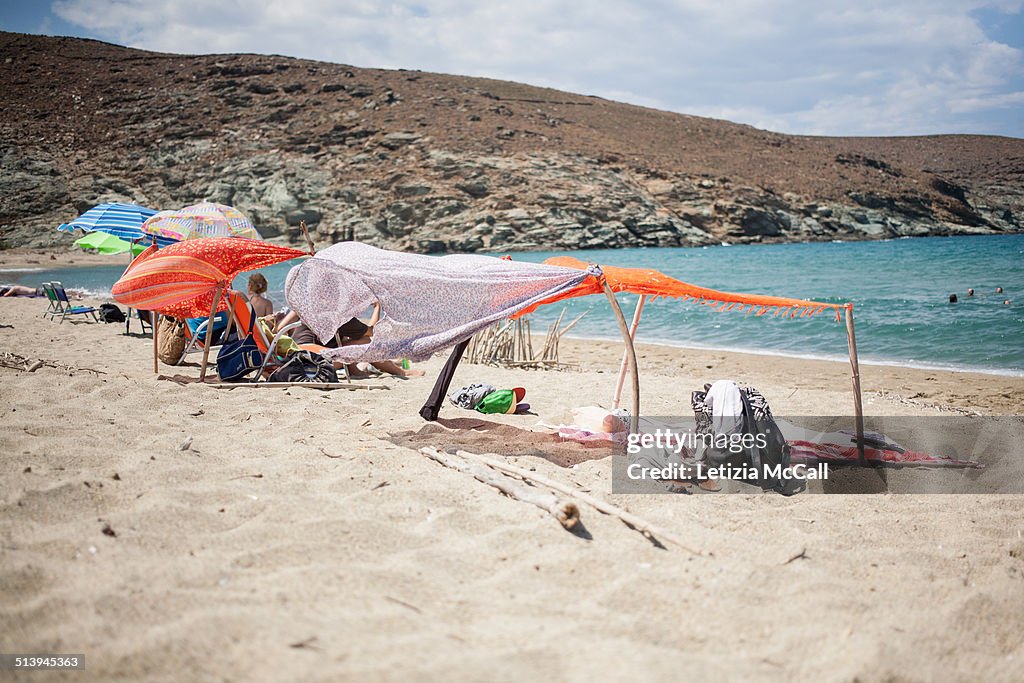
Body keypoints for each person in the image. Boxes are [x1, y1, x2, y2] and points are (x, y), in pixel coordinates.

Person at [270, 307, 424, 379]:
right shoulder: (336, 314)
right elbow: (371, 332)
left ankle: (354, 370)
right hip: (311, 360)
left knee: (347, 341)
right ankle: (400, 372)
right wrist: (377, 308)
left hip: (295, 356)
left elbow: (280, 328)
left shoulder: (310, 309)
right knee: (365, 342)